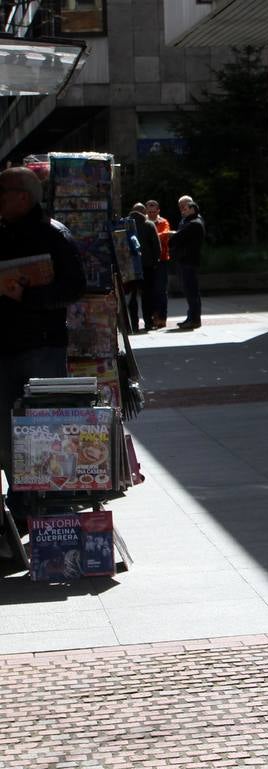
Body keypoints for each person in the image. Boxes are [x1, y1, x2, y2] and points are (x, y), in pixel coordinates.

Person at [0, 166, 86, 525]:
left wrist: (28, 296)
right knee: (7, 432)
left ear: (22, 197)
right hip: (5, 348)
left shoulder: (53, 234)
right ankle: (22, 501)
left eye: (2, 193)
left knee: (46, 428)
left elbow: (74, 288)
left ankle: (51, 507)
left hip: (42, 346)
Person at [168, 195, 205, 330]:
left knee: (191, 292)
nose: (182, 210)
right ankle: (191, 318)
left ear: (192, 208)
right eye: (180, 207)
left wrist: (173, 236)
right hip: (185, 261)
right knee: (189, 291)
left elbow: (175, 238)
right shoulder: (188, 221)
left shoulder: (194, 223)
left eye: (185, 207)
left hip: (188, 261)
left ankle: (194, 319)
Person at [126, 202, 160, 332]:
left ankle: (134, 325)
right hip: (147, 266)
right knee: (147, 296)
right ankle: (148, 322)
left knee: (132, 296)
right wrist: (154, 262)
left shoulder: (125, 224)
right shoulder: (149, 224)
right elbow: (156, 247)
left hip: (130, 267)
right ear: (144, 212)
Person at [145, 199, 171, 327]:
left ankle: (162, 318)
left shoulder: (163, 222)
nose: (151, 214)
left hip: (161, 260)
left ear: (158, 211)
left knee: (161, 290)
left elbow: (165, 236)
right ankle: (153, 317)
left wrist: (152, 237)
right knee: (150, 291)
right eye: (149, 212)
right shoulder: (144, 222)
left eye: (154, 212)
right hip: (148, 261)